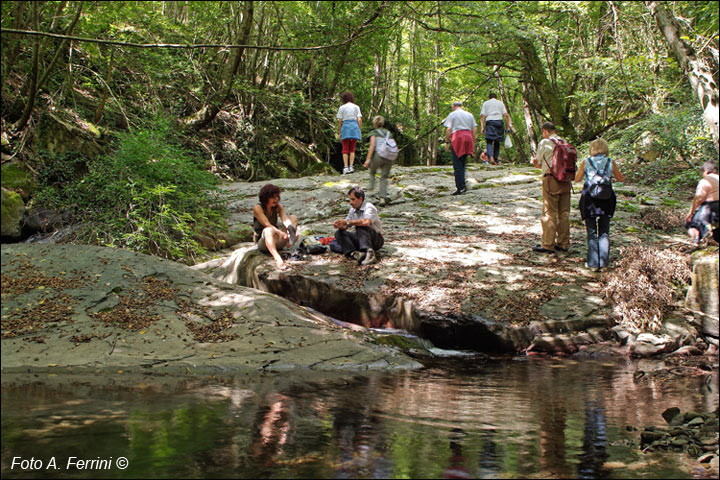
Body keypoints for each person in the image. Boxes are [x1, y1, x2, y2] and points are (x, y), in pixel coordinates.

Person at [574, 138, 624, 271]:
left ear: (592, 149)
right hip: (607, 198)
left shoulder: (586, 162)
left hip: (589, 199)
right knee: (604, 232)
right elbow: (620, 178)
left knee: (591, 232)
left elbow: (577, 179)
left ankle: (593, 263)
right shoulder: (610, 162)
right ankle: (604, 263)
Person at [531, 122, 571, 254]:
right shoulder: (564, 142)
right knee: (564, 213)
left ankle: (548, 244)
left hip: (551, 179)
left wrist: (534, 162)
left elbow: (539, 162)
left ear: (545, 131)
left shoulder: (545, 142)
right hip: (566, 180)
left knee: (550, 212)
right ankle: (563, 243)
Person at [333, 186, 384, 265]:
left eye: (353, 199)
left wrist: (347, 222)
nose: (350, 202)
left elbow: (366, 222)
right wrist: (339, 225)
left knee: (360, 225)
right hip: (361, 238)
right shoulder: (352, 209)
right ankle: (355, 253)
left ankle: (369, 252)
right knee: (338, 234)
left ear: (360, 199)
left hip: (375, 239)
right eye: (350, 199)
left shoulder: (369, 207)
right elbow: (346, 226)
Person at [253, 184, 298, 269]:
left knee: (293, 217)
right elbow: (267, 224)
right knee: (268, 230)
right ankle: (277, 258)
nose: (276, 199)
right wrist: (280, 232)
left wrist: (290, 230)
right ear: (266, 198)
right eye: (273, 197)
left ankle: (290, 241)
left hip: (278, 240)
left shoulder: (278, 207)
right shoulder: (258, 208)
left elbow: (285, 220)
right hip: (264, 242)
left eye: (277, 197)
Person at [443, 101, 477, 195]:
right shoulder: (469, 114)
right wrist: (472, 140)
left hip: (458, 137)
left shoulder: (452, 114)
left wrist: (447, 142)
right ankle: (463, 186)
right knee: (463, 162)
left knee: (457, 164)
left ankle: (460, 188)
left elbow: (448, 129)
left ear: (454, 107)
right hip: (468, 136)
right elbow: (474, 128)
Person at [685, 161, 719, 244]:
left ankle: (695, 239)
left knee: (692, 223)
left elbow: (698, 199)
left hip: (710, 206)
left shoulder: (705, 181)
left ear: (706, 171)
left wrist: (690, 213)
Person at [363, 116, 394, 206]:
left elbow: (372, 146)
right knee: (383, 177)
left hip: (378, 156)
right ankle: (382, 199)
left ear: (374, 124)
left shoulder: (374, 133)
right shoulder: (388, 133)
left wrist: (368, 160)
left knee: (372, 172)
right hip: (388, 156)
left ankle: (371, 188)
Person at [480, 93, 512, 164]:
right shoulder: (500, 103)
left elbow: (482, 116)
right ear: (496, 97)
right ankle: (496, 159)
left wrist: (482, 127)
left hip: (490, 122)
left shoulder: (486, 103)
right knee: (497, 141)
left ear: (489, 98)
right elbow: (506, 115)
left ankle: (490, 157)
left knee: (489, 141)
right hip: (499, 122)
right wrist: (507, 127)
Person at [336, 91, 362, 175]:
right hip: (354, 127)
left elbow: (340, 121)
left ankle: (345, 167)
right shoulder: (356, 107)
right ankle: (351, 166)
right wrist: (359, 130)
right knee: (352, 149)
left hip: (346, 128)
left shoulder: (342, 108)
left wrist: (339, 132)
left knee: (345, 148)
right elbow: (359, 119)